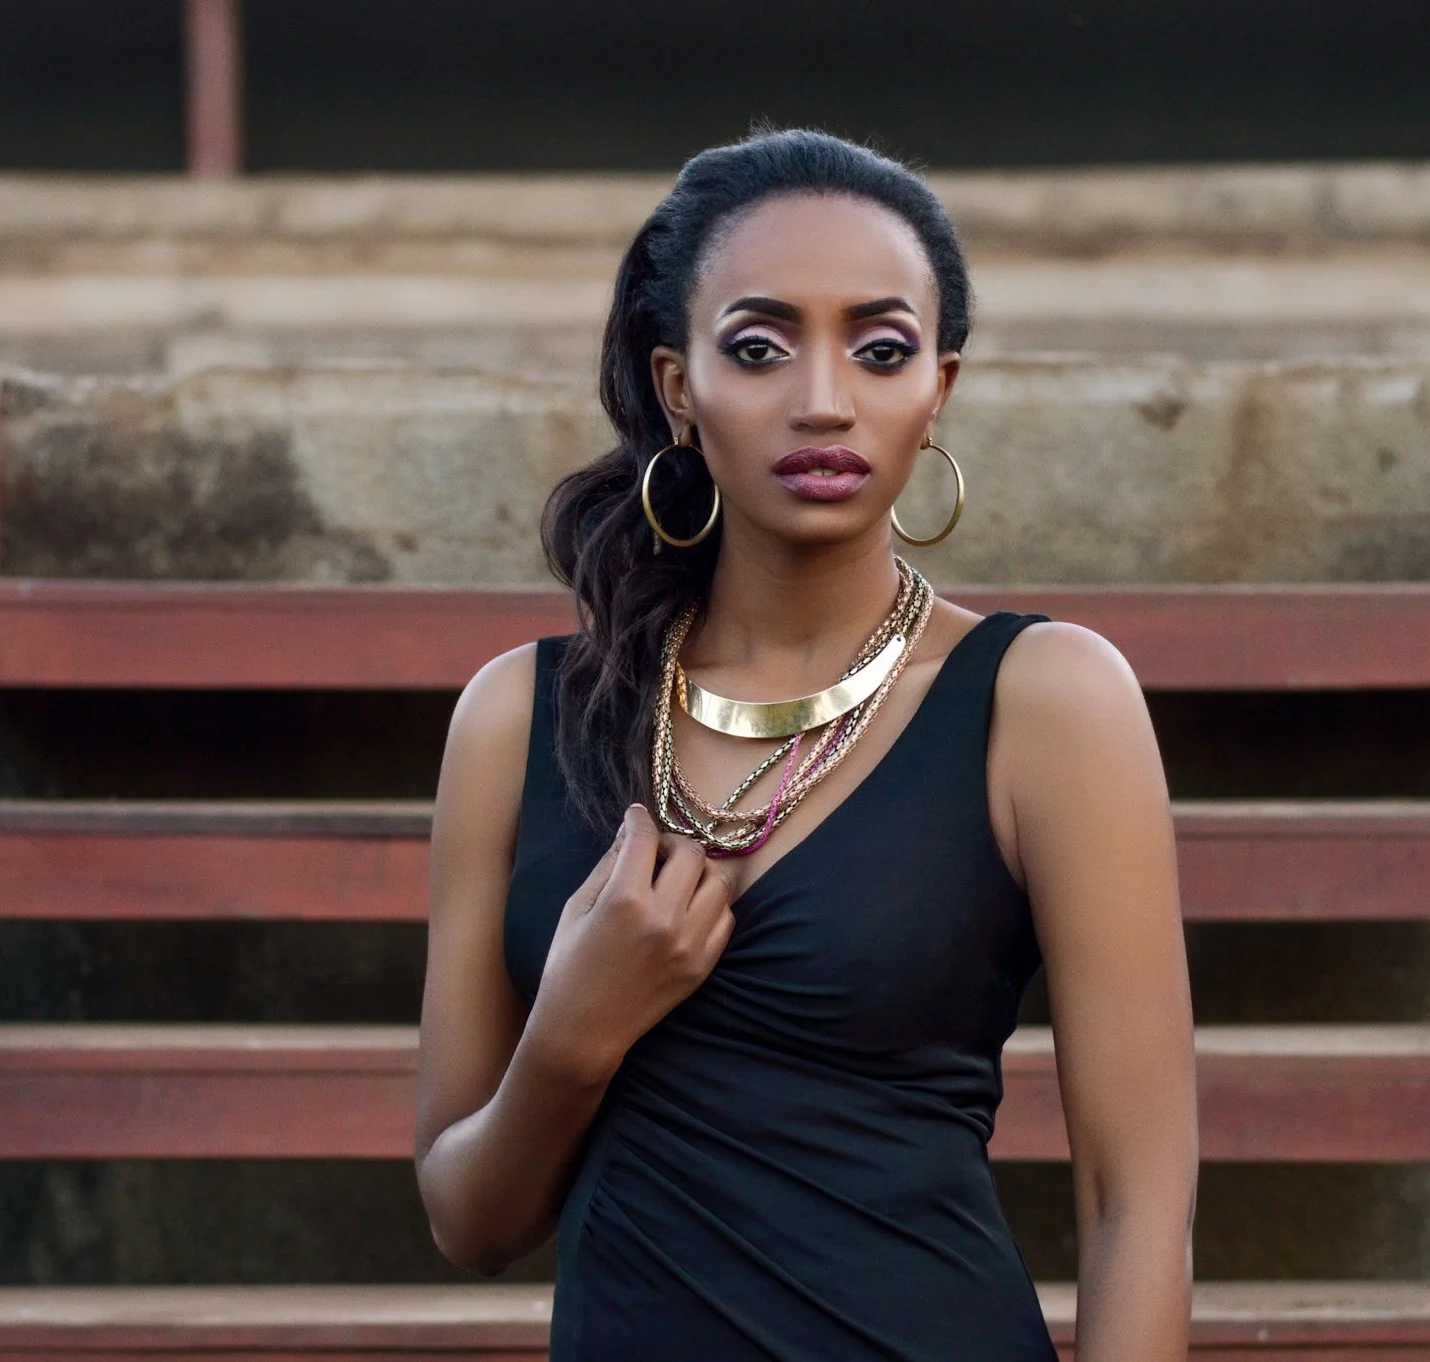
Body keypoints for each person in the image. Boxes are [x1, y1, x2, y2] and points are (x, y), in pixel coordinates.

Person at [415, 128, 1197, 1361]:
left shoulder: (1042, 701)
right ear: (679, 385)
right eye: (759, 346)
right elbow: (470, 1218)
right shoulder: (519, 716)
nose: (823, 398)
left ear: (937, 385)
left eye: (879, 350)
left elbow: (1134, 1198)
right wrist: (571, 1035)